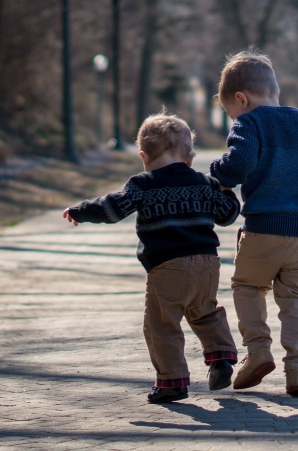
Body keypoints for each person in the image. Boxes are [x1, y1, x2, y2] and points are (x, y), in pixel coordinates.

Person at [63, 112, 241, 404]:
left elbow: (113, 209)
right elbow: (227, 215)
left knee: (161, 324)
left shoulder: (142, 184)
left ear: (143, 156)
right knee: (206, 311)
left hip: (168, 267)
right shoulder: (203, 182)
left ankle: (172, 381)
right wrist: (227, 191)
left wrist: (82, 211)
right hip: (207, 264)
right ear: (189, 158)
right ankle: (221, 358)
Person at [210, 47, 298, 396]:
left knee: (247, 286)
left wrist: (216, 172)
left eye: (229, 111)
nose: (232, 117)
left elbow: (237, 167)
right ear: (274, 91)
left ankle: (257, 351)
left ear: (241, 99)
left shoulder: (249, 122)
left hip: (263, 229)